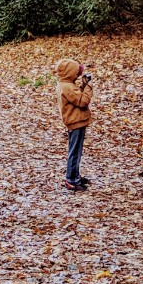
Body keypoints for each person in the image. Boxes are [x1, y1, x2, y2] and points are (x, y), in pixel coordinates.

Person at [55, 58, 94, 192]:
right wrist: (89, 87)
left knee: (76, 151)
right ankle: (71, 179)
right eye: (76, 72)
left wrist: (82, 86)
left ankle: (75, 176)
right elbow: (83, 101)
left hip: (75, 121)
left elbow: (77, 97)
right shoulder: (68, 87)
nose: (78, 74)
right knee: (75, 152)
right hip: (75, 122)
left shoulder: (64, 84)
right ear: (70, 73)